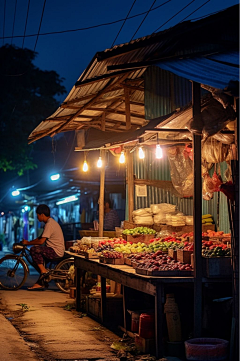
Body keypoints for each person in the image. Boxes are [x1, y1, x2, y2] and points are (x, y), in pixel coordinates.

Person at [22, 204, 65, 290]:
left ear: (42, 214)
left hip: (55, 251)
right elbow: (40, 238)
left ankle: (44, 272)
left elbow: (41, 241)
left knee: (34, 249)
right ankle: (42, 282)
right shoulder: (50, 223)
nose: (37, 218)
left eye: (37, 215)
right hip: (53, 249)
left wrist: (28, 244)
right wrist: (29, 242)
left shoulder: (49, 224)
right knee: (37, 253)